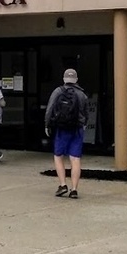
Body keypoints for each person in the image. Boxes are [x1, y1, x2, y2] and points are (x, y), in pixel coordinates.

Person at [45, 68, 88, 198]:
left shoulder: (57, 91)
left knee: (58, 156)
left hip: (61, 129)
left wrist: (47, 124)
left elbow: (50, 109)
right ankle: (74, 189)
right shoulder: (82, 95)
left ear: (64, 79)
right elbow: (86, 113)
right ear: (76, 80)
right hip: (77, 129)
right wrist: (84, 124)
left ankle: (63, 185)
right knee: (75, 159)